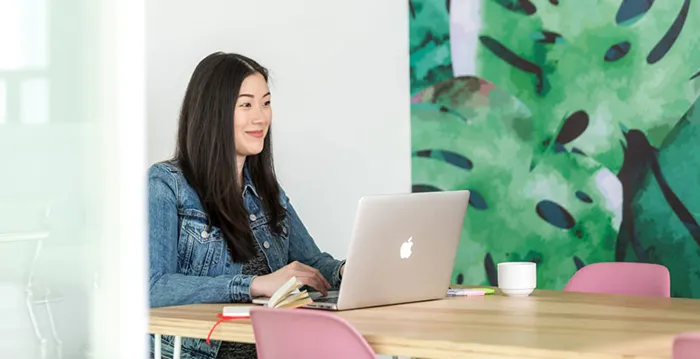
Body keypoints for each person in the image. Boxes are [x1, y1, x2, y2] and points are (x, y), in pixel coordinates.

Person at [148, 52, 345, 359]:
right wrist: (252, 285)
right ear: (213, 112)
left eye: (266, 103)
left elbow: (312, 266)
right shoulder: (166, 184)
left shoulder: (266, 191)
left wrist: (347, 272)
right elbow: (154, 288)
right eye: (246, 104)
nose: (261, 117)